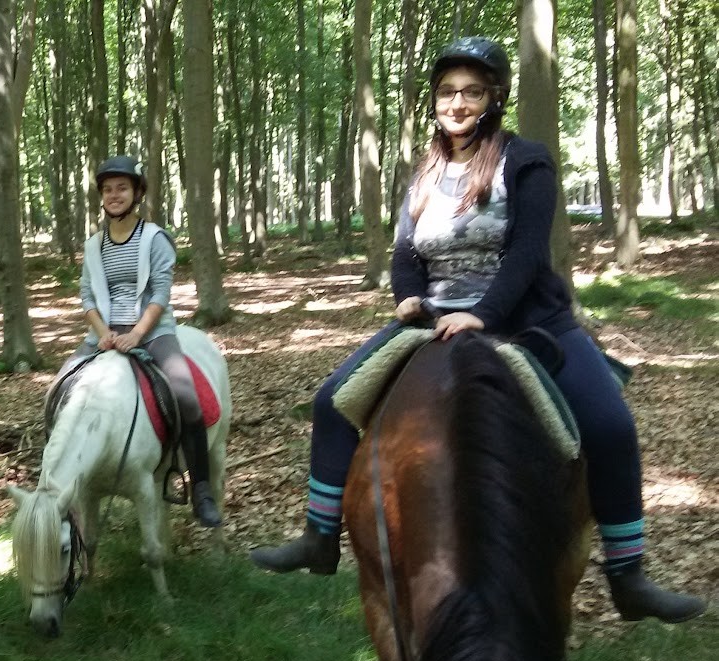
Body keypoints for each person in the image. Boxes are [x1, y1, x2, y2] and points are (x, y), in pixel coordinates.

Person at [248, 37, 705, 623]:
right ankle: (318, 534)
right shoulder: (424, 173)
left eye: (470, 91)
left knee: (611, 425)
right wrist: (408, 298)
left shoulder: (527, 160)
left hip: (526, 317)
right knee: (332, 401)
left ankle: (627, 572)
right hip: (435, 318)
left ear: (493, 98)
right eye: (446, 92)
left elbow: (526, 253)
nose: (456, 102)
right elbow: (407, 253)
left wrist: (484, 314)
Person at [53, 155, 222, 528]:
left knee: (187, 398)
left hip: (153, 329)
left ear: (137, 193)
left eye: (122, 188)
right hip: (106, 333)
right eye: (108, 189)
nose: (114, 195)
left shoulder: (155, 238)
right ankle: (54, 482)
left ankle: (202, 490)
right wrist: (104, 335)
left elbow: (161, 293)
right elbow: (87, 297)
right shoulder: (94, 244)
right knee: (58, 392)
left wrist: (136, 335)